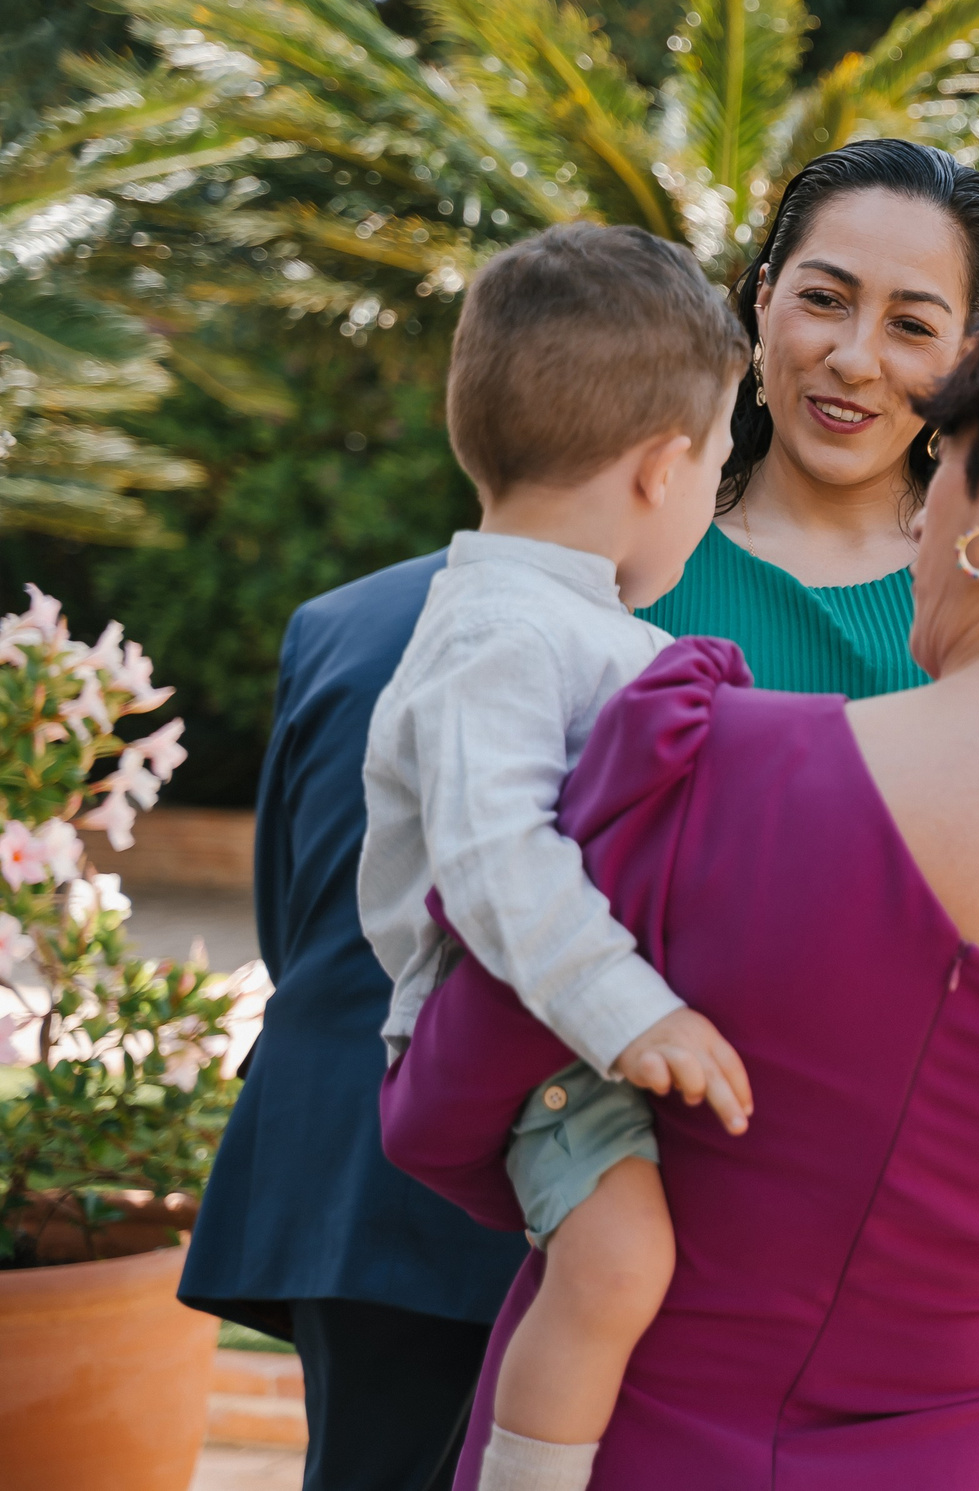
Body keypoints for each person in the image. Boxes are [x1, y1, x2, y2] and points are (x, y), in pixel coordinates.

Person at [378, 251, 979, 1488]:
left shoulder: (700, 754)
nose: (923, 512)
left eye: (938, 464)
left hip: (641, 1448)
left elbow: (444, 1105)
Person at [358, 222, 757, 1491]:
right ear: (661, 468)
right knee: (617, 1261)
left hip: (567, 1023)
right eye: (717, 473)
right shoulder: (503, 633)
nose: (711, 506)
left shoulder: (574, 622)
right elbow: (491, 859)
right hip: (520, 1034)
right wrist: (626, 1010)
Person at [179, 550, 531, 1491]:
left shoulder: (341, 616)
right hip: (490, 1159)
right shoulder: (621, 646)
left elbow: (287, 905)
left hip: (331, 1126)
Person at [637, 138, 979, 695]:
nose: (856, 361)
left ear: (963, 360)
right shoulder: (630, 551)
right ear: (763, 300)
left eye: (911, 325)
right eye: (823, 298)